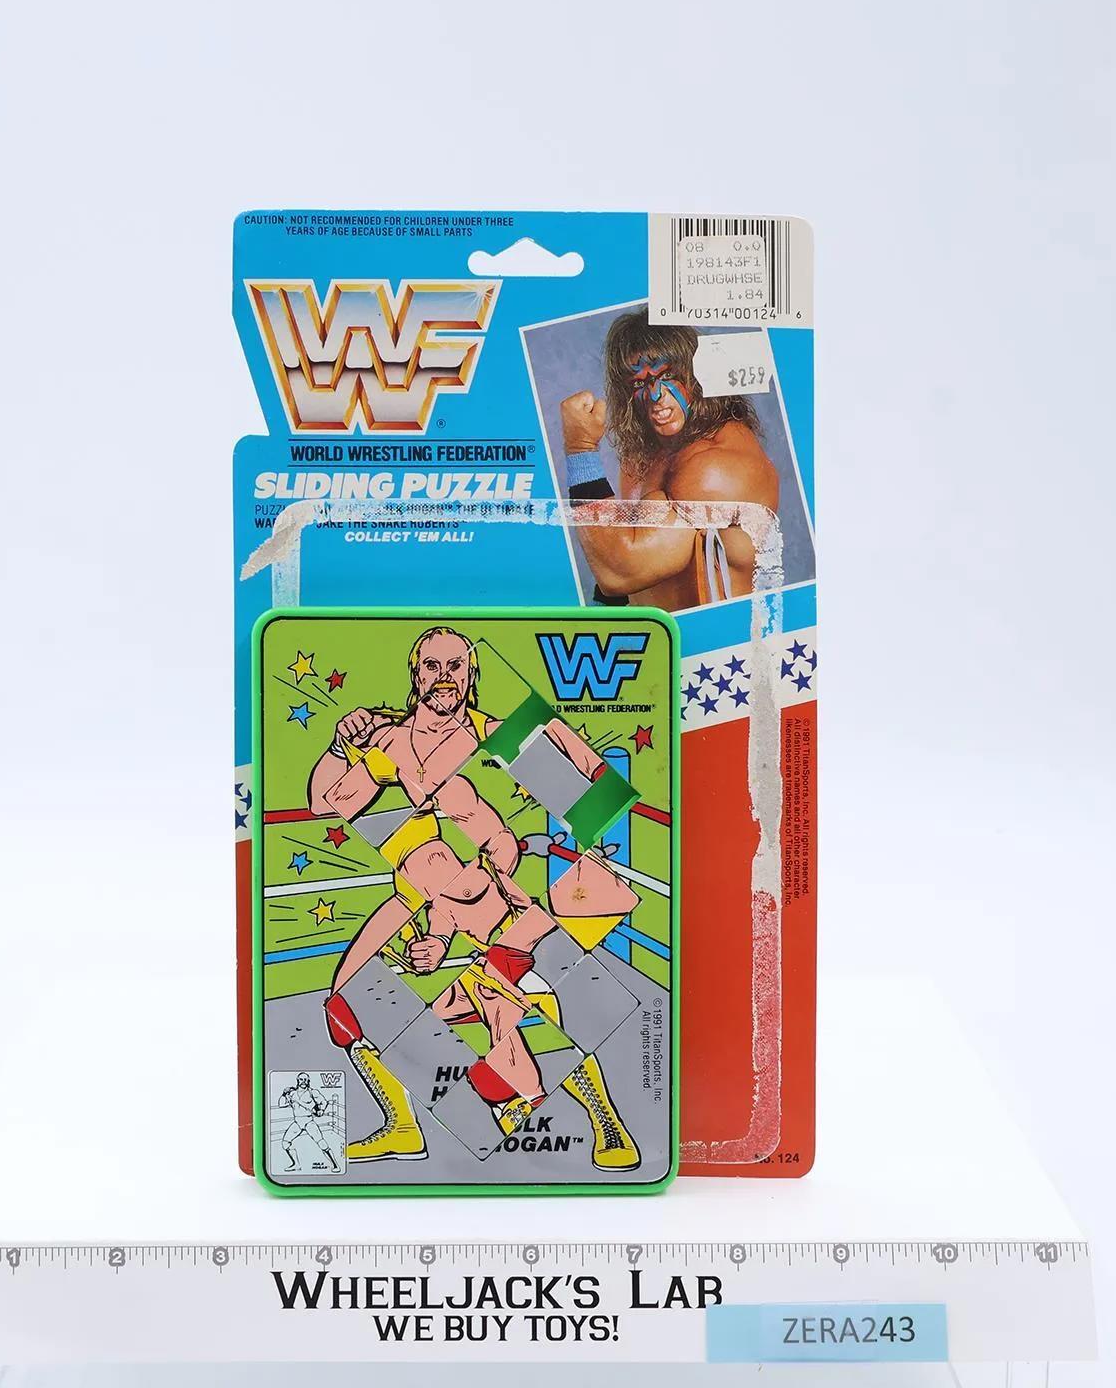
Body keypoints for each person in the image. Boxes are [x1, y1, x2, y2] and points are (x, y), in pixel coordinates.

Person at [306, 625, 640, 1170]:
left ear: (472, 673)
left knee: (524, 1010)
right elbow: (324, 802)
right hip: (412, 897)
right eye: (432, 666)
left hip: (491, 905)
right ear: (416, 675)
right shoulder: (387, 740)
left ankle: (604, 1121)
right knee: (347, 1004)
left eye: (455, 666)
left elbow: (594, 802)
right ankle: (402, 1126)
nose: (444, 677)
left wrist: (558, 740)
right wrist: (342, 745)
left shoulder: (499, 736)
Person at [560, 313, 779, 611]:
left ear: (696, 375)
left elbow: (621, 573)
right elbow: (625, 585)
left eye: (666, 376)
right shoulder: (643, 458)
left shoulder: (712, 466)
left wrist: (581, 448)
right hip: (656, 634)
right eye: (639, 383)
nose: (655, 396)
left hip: (719, 637)